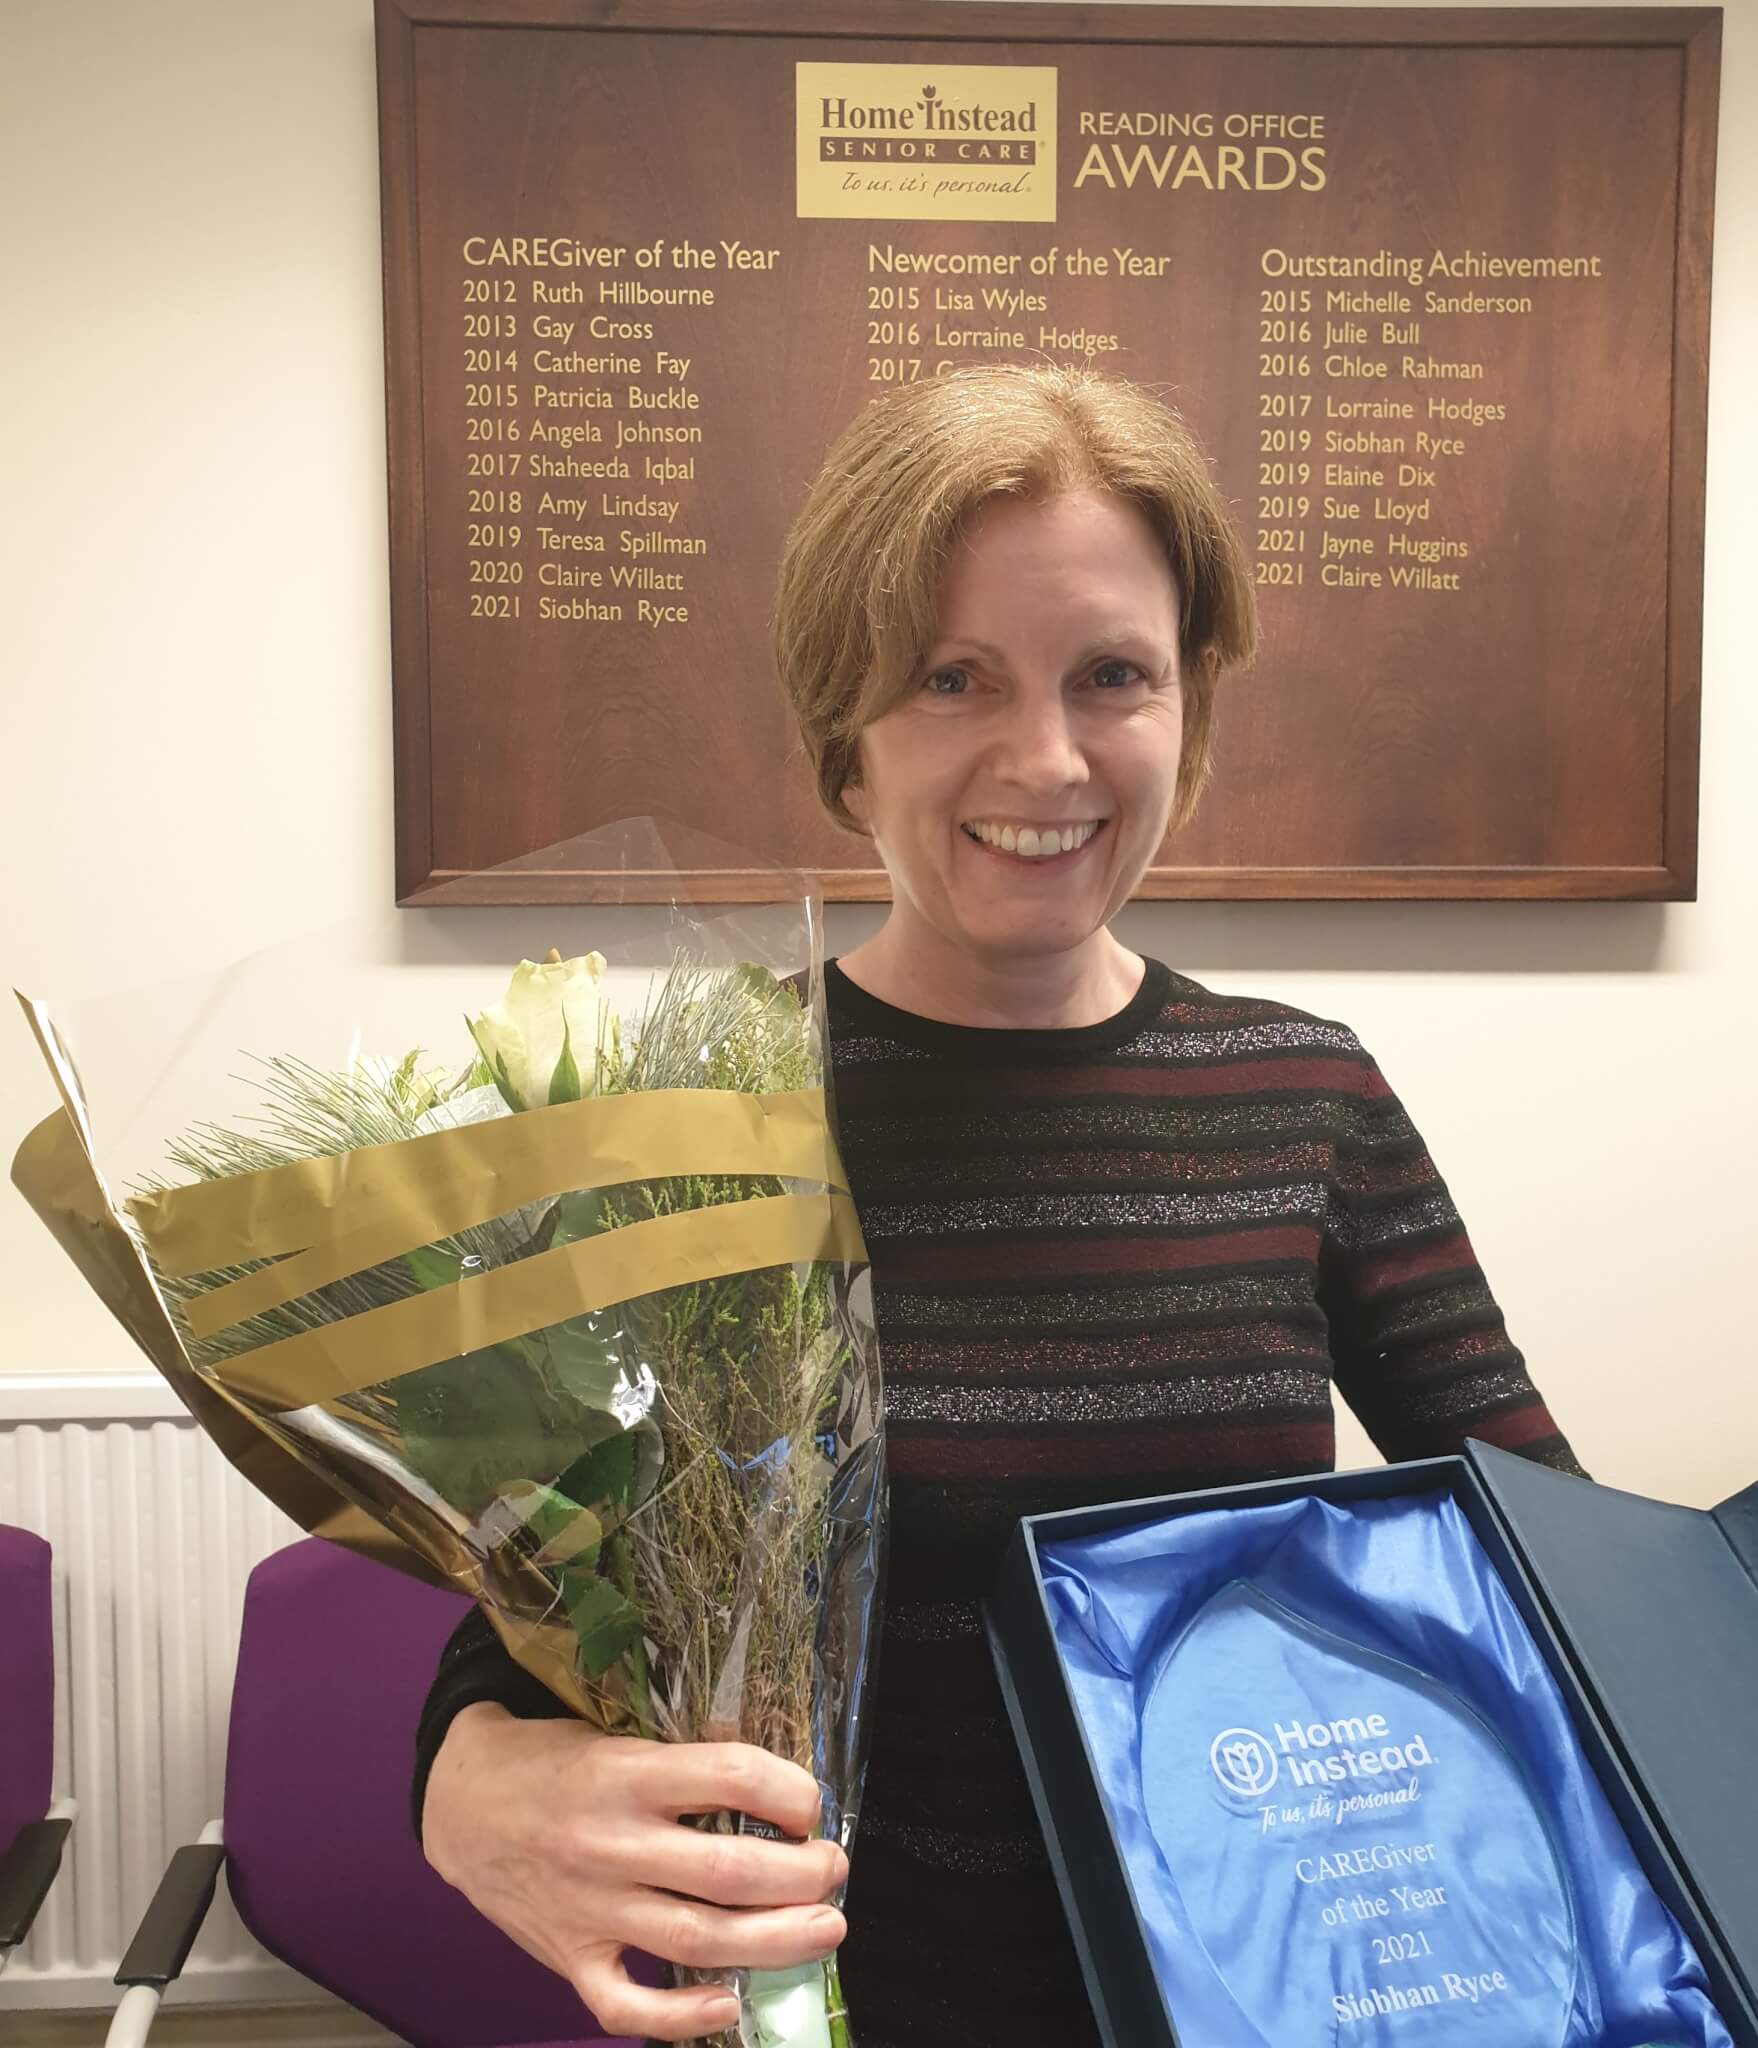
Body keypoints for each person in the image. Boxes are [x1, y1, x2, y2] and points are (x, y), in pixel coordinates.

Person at [413, 365, 1581, 2046]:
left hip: (1268, 1991)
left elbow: (1532, 1542)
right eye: (951, 677)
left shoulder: (1303, 1096)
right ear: (843, 723)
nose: (1044, 758)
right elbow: (544, 1602)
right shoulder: (706, 1117)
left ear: (1189, 705)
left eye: (1112, 674)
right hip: (839, 2007)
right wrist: (459, 1782)